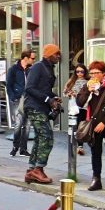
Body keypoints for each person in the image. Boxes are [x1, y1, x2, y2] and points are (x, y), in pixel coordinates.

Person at [75, 61, 105, 194]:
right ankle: (96, 179)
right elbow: (80, 102)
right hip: (94, 124)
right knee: (95, 153)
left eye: (97, 72)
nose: (94, 75)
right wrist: (87, 91)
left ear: (103, 73)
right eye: (92, 73)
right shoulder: (88, 85)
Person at [23, 44, 63, 185]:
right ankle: (38, 168)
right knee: (47, 136)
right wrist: (48, 99)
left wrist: (54, 97)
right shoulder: (38, 67)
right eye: (56, 54)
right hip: (34, 107)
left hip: (40, 107)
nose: (59, 56)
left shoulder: (48, 68)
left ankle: (32, 170)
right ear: (48, 54)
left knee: (40, 137)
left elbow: (44, 89)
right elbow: (29, 88)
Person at [5, 50, 34, 154]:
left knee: (27, 125)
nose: (33, 60)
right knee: (18, 123)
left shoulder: (31, 70)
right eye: (32, 58)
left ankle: (23, 149)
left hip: (29, 99)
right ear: (25, 58)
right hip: (18, 99)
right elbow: (9, 84)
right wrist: (13, 97)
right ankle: (15, 147)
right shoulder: (14, 69)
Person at [64, 63, 88, 156]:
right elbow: (64, 92)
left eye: (82, 71)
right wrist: (69, 94)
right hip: (73, 106)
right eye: (77, 71)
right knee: (74, 125)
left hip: (84, 106)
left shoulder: (87, 81)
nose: (79, 73)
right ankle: (76, 144)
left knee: (81, 125)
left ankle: (80, 145)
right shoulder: (71, 81)